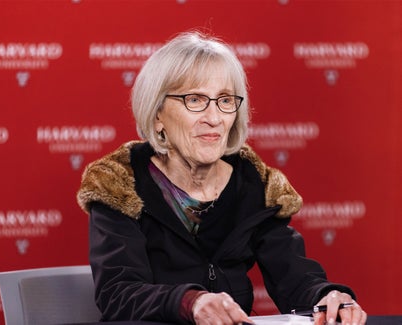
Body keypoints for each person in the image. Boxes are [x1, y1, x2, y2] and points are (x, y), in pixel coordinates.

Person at [77, 31, 367, 325]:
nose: (214, 118)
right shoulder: (119, 183)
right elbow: (118, 293)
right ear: (157, 115)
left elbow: (293, 276)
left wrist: (327, 297)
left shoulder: (253, 182)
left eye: (225, 100)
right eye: (195, 99)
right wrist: (191, 303)